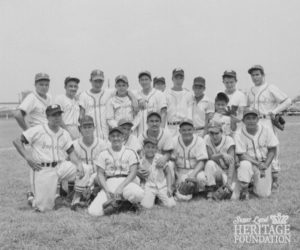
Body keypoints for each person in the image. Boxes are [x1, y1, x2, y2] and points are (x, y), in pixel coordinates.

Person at [12, 104, 90, 212]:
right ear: (47, 117)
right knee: (44, 208)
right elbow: (17, 141)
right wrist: (28, 157)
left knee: (86, 169)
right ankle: (31, 198)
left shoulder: (64, 133)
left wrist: (79, 165)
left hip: (61, 166)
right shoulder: (38, 130)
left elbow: (71, 153)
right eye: (54, 115)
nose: (57, 117)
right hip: (43, 169)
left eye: (59, 114)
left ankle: (75, 201)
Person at [246, 65, 291, 191]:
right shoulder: (249, 90)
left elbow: (287, 101)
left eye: (257, 74)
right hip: (253, 122)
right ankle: (256, 178)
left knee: (272, 148)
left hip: (266, 121)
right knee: (254, 148)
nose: (254, 77)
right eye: (252, 75)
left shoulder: (270, 87)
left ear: (263, 75)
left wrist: (275, 111)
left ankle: (275, 180)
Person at [14, 72, 52, 204]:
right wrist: (28, 131)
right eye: (41, 84)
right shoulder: (32, 97)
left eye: (46, 84)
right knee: (38, 165)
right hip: (38, 135)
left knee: (49, 166)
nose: (44, 87)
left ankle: (41, 192)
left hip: (49, 134)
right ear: (35, 85)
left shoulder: (49, 97)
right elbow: (18, 114)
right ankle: (32, 192)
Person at [88, 127, 144, 216]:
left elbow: (133, 172)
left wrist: (121, 187)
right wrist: (106, 190)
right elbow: (100, 174)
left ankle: (124, 203)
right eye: (113, 136)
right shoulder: (103, 154)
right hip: (110, 181)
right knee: (94, 212)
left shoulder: (130, 152)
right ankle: (121, 205)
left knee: (138, 193)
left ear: (123, 137)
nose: (116, 138)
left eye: (118, 135)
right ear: (109, 138)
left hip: (126, 181)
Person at [78, 70, 138, 140]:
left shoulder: (108, 92)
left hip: (106, 133)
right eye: (95, 81)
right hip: (91, 132)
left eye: (100, 81)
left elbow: (125, 90)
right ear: (90, 80)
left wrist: (133, 99)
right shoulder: (84, 95)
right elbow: (81, 116)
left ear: (103, 81)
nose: (98, 84)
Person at [235, 108, 278, 200]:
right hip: (250, 163)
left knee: (263, 195)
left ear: (258, 119)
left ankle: (254, 185)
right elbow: (241, 155)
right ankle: (245, 189)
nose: (251, 121)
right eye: (248, 118)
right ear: (243, 120)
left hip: (264, 163)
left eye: (253, 118)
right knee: (244, 165)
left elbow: (272, 149)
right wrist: (258, 164)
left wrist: (265, 165)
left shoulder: (266, 129)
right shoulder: (238, 133)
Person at [71, 115, 107, 209]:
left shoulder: (102, 143)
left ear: (94, 128)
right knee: (81, 170)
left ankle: (89, 197)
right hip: (81, 177)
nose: (87, 130)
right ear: (80, 129)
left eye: (90, 127)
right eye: (84, 127)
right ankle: (78, 198)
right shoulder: (74, 144)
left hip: (96, 177)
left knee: (99, 179)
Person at [171, 119, 207, 201]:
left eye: (189, 129)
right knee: (183, 197)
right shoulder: (174, 140)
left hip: (195, 170)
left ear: (194, 130)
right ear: (179, 131)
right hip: (180, 171)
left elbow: (202, 161)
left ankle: (196, 191)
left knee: (201, 178)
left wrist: (193, 174)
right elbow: (172, 160)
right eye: (184, 130)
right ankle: (186, 191)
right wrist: (175, 176)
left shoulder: (200, 141)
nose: (187, 132)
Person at [204, 121, 239, 200]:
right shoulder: (207, 139)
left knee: (234, 197)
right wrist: (222, 154)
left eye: (216, 133)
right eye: (211, 133)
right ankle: (211, 190)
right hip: (218, 170)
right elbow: (210, 157)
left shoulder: (228, 140)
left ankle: (225, 185)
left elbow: (232, 163)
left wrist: (229, 183)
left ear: (221, 132)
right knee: (209, 163)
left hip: (230, 171)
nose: (214, 136)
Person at [140, 138, 176, 209]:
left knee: (171, 205)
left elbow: (168, 173)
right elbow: (141, 176)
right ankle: (153, 198)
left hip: (162, 186)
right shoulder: (141, 161)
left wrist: (169, 187)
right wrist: (142, 184)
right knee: (146, 206)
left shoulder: (160, 158)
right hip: (149, 186)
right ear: (144, 148)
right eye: (148, 147)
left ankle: (159, 199)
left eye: (153, 147)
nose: (150, 149)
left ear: (156, 149)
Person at [136, 71, 167, 136]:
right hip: (141, 131)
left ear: (150, 80)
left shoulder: (159, 94)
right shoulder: (137, 95)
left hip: (155, 131)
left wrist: (161, 130)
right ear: (139, 81)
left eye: (146, 79)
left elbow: (163, 113)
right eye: (142, 80)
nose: (144, 82)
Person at [165, 68, 193, 137]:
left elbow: (190, 113)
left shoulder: (188, 94)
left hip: (183, 128)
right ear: (172, 79)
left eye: (181, 78)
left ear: (183, 79)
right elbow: (164, 113)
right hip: (170, 127)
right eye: (176, 78)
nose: (178, 80)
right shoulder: (166, 93)